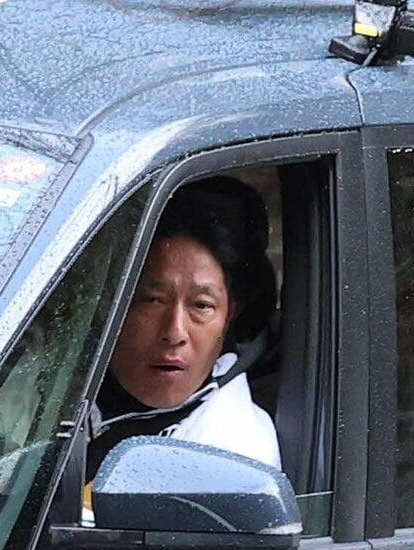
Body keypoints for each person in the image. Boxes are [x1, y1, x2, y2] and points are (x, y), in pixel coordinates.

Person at [87, 176, 283, 479]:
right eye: (153, 300)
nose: (175, 332)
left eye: (201, 306)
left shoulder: (230, 454)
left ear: (231, 312)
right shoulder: (49, 388)